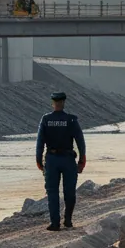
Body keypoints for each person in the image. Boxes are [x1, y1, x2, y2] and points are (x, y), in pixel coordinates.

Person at [35, 91, 87, 232]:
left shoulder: (46, 120)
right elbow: (80, 142)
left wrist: (38, 161)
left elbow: (40, 143)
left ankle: (55, 223)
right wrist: (82, 160)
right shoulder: (71, 120)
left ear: (53, 103)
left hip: (52, 160)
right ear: (63, 103)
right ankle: (68, 220)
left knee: (52, 192)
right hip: (68, 159)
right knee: (69, 192)